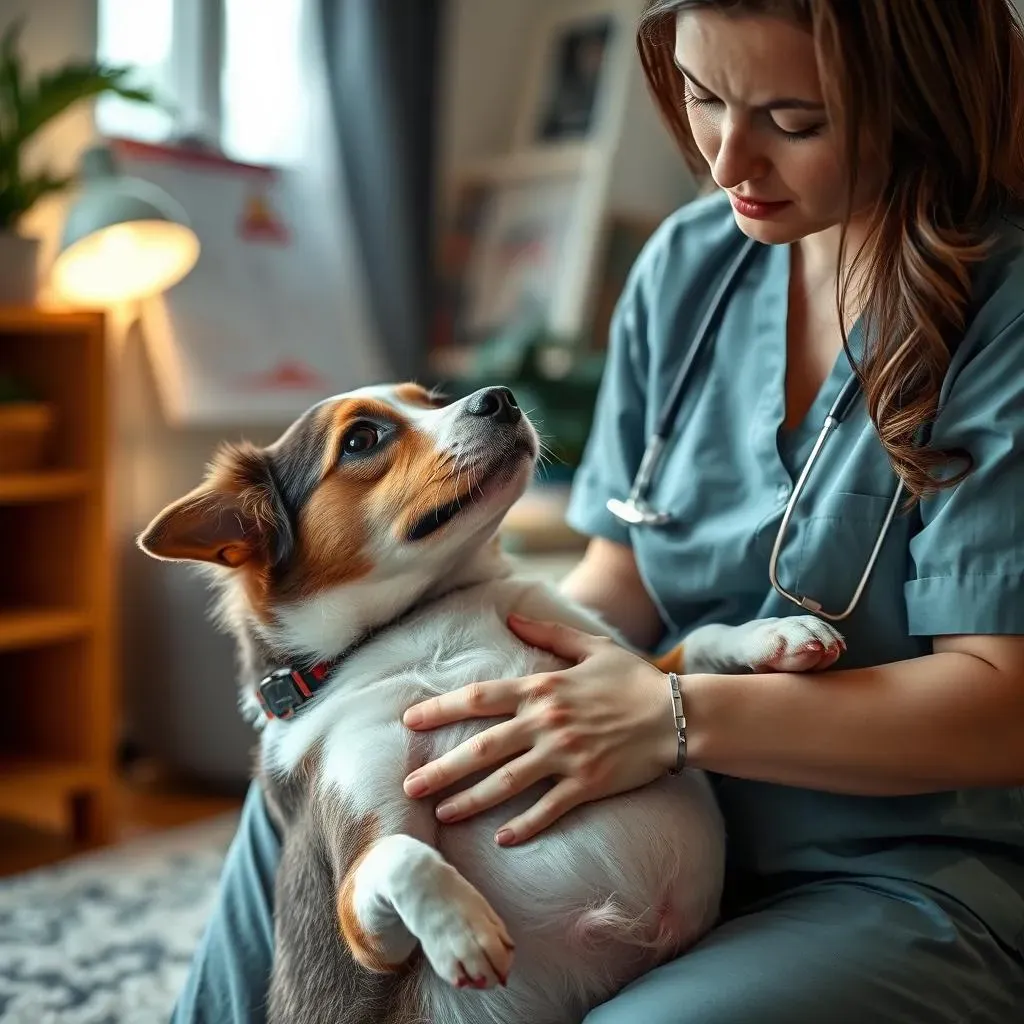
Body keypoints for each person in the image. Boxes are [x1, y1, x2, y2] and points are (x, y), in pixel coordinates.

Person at [171, 1, 1024, 1020]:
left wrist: (674, 714)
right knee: (306, 783)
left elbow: (1000, 704)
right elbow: (612, 584)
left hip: (887, 865)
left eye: (794, 120)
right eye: (703, 97)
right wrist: (454, 705)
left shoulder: (1001, 308)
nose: (726, 162)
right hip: (644, 798)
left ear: (917, 102)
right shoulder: (686, 268)